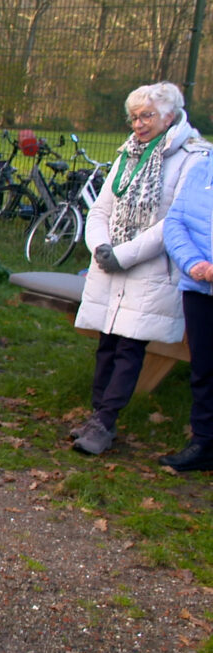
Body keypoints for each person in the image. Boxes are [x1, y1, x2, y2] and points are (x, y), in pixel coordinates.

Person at [72, 82, 208, 455]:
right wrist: (100, 246)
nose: (138, 124)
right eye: (133, 117)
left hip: (152, 269)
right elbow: (101, 209)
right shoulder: (128, 153)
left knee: (130, 346)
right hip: (109, 263)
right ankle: (97, 416)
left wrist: (125, 254)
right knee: (106, 344)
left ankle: (105, 422)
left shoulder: (193, 157)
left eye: (146, 116)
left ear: (169, 115)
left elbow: (175, 221)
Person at [161, 128, 213, 470]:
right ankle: (204, 444)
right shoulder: (202, 169)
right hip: (200, 288)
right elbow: (175, 222)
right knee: (204, 369)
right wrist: (193, 264)